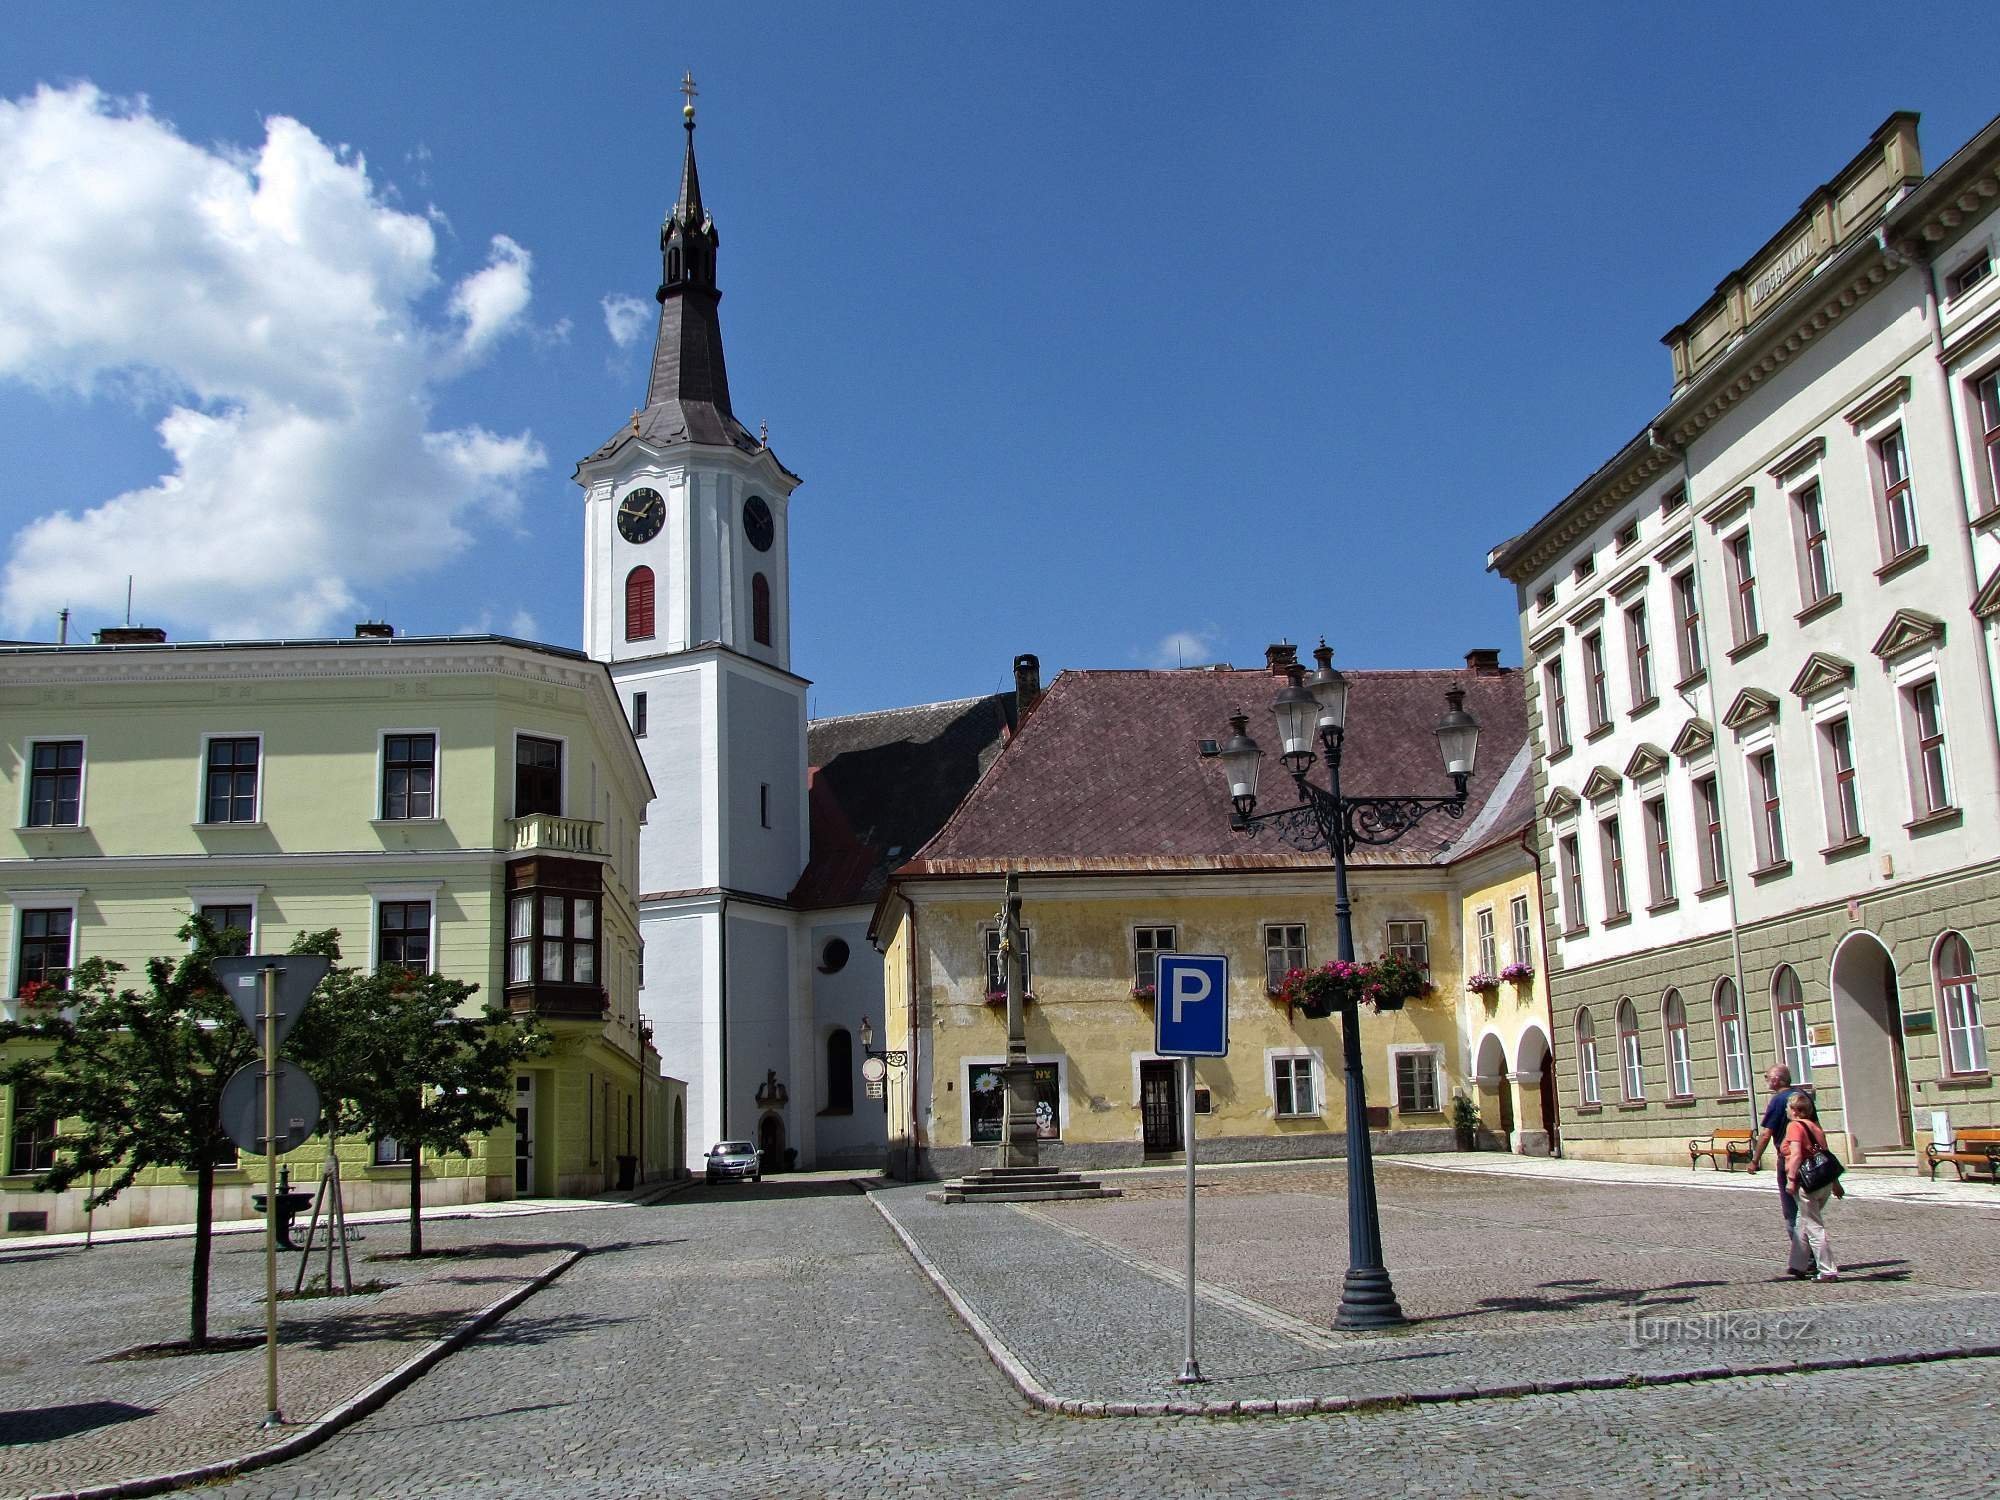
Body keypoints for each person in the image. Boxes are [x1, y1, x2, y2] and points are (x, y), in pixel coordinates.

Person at [1746, 1065, 1808, 1275]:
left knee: (1791, 1213)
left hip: (1789, 1161)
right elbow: (1817, 1130)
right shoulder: (1803, 1096)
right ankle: (1813, 1258)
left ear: (1777, 1080)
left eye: (1768, 1077)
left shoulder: (1779, 1101)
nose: (1767, 1081)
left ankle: (1805, 1260)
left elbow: (1766, 1134)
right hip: (1810, 1162)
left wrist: (1754, 1160)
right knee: (1810, 1213)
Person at [1781, 1090, 1841, 1281]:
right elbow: (1825, 1156)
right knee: (1802, 1222)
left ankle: (1828, 1270)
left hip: (1807, 1183)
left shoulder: (1794, 1126)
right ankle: (1798, 1265)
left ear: (1793, 1110)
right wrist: (1835, 1183)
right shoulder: (1816, 1127)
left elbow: (1797, 1154)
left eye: (1788, 1108)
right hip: (1823, 1182)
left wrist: (1791, 1180)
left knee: (1813, 1226)